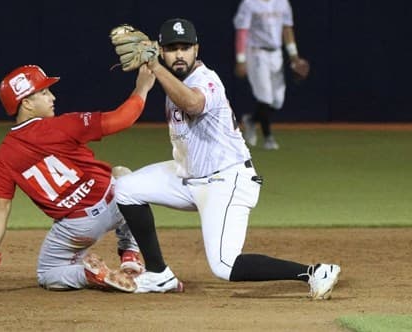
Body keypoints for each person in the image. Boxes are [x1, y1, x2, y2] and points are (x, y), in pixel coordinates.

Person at [115, 18, 340, 298]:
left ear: (197, 49)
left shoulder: (206, 79)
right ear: (161, 50)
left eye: (185, 47)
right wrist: (147, 78)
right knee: (125, 189)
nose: (180, 54)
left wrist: (157, 68)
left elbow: (193, 104)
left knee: (224, 265)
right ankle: (159, 274)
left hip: (226, 180)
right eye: (172, 48)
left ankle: (315, 271)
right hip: (188, 176)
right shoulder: (169, 77)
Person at [0, 64, 156, 294]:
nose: (52, 97)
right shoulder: (63, 125)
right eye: (44, 93)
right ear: (26, 102)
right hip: (116, 204)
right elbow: (121, 119)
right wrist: (142, 88)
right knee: (125, 176)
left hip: (79, 228)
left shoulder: (3, 156)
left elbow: (0, 209)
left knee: (49, 273)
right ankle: (130, 253)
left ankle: (87, 273)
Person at [233, 0, 306, 150]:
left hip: (276, 54)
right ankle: (268, 138)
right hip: (257, 53)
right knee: (265, 97)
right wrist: (241, 59)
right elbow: (242, 31)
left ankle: (251, 119)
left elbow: (287, 29)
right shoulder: (249, 3)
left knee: (277, 101)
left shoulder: (281, 1)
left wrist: (294, 55)